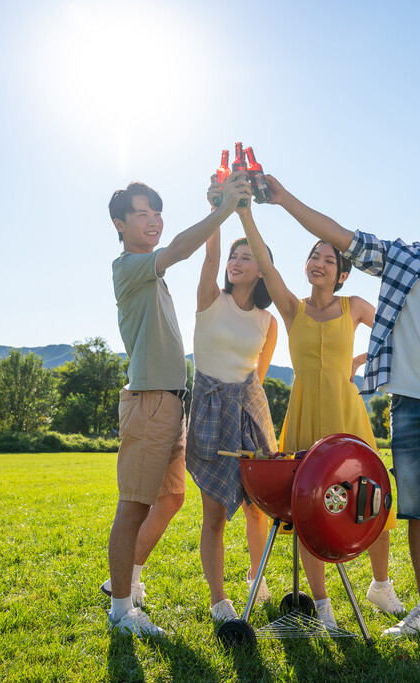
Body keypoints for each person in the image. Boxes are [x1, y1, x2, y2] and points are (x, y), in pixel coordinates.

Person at [263, 171, 420, 661]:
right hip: (409, 405)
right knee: (417, 513)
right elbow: (343, 236)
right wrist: (282, 199)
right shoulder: (404, 257)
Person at [237, 202, 405, 630]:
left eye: (330, 259)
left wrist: (361, 360)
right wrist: (244, 215)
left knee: (373, 504)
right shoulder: (293, 310)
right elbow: (266, 267)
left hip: (348, 416)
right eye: (314, 255)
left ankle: (380, 585)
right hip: (304, 418)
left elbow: (396, 332)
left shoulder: (355, 306)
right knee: (308, 511)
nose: (320, 262)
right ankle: (324, 608)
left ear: (342, 274)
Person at [104, 175, 249, 638]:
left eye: (156, 213)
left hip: (172, 404)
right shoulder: (130, 265)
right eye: (142, 214)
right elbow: (185, 248)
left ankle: (124, 582)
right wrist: (225, 208)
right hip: (149, 403)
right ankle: (123, 611)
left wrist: (217, 206)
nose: (153, 220)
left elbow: (184, 248)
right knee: (133, 505)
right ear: (120, 224)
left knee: (169, 499)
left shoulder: (152, 271)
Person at [186, 192, 279, 623]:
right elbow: (210, 258)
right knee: (216, 513)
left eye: (247, 256)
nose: (235, 262)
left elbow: (257, 375)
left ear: (261, 268)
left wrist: (249, 416)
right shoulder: (210, 298)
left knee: (259, 505)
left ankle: (256, 578)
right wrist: (218, 209)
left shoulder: (267, 321)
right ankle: (219, 600)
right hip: (207, 408)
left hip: (249, 410)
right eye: (233, 256)